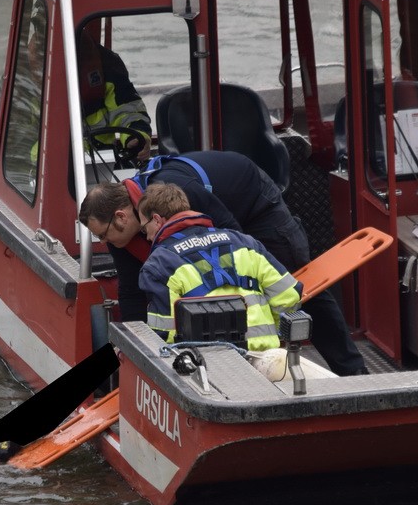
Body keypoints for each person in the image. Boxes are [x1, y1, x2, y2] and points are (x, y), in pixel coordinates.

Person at [78, 150, 368, 375]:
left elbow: (234, 239)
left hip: (254, 204)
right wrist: (136, 350)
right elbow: (131, 292)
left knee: (293, 284)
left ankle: (354, 372)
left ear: (121, 217)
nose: (106, 243)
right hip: (222, 215)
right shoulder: (122, 230)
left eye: (103, 235)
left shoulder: (176, 192)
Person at [136, 183, 301, 350]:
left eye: (144, 229)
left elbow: (164, 333)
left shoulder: (159, 263)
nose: (148, 237)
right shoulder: (243, 242)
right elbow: (289, 294)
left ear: (156, 220)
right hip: (267, 356)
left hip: (208, 366)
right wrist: (270, 333)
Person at [77, 30, 151, 162]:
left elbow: (128, 110)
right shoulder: (30, 68)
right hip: (39, 169)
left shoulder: (105, 62)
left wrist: (137, 136)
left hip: (102, 162)